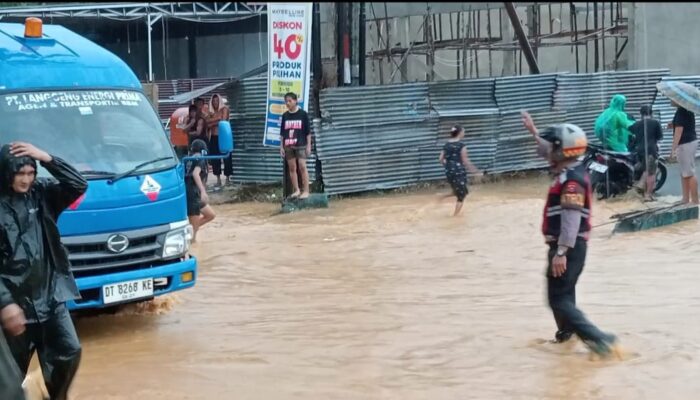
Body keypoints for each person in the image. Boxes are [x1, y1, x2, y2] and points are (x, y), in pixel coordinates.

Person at [521, 112, 621, 359]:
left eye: (552, 147)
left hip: (569, 246)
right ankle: (565, 337)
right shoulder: (570, 172)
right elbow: (549, 148)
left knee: (558, 299)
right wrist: (534, 131)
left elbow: (571, 218)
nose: (546, 152)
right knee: (565, 295)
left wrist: (561, 251)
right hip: (570, 246)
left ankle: (599, 340)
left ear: (562, 151)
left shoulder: (571, 182)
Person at [0, 142, 87, 400]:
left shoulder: (43, 194)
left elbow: (78, 185)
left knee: (69, 352)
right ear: (6, 173)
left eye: (31, 173)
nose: (26, 180)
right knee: (9, 379)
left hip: (49, 299)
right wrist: (5, 303)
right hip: (13, 307)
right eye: (20, 174)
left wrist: (46, 158)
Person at [438, 125, 481, 216]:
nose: (464, 134)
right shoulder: (461, 145)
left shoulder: (446, 145)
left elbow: (441, 159)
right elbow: (465, 160)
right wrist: (475, 171)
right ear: (460, 133)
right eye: (463, 132)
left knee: (457, 191)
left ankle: (441, 198)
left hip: (449, 172)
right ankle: (455, 217)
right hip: (459, 172)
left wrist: (449, 165)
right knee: (462, 195)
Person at [279, 92, 312, 199]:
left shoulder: (303, 114)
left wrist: (308, 146)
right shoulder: (285, 116)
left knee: (302, 166)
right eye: (286, 101)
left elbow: (308, 132)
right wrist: (281, 147)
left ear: (295, 101)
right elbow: (282, 133)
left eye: (290, 101)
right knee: (292, 168)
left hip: (301, 145)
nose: (288, 103)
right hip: (288, 145)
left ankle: (306, 190)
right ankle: (297, 190)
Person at [629, 105, 663, 201]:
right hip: (651, 150)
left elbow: (630, 132)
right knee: (651, 173)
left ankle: (642, 189)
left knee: (645, 170)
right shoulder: (655, 123)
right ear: (651, 113)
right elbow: (659, 137)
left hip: (639, 151)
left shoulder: (636, 124)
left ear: (641, 114)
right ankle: (648, 195)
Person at [185, 139, 216, 242]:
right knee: (193, 236)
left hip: (191, 191)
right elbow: (195, 174)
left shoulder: (188, 159)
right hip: (192, 192)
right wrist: (203, 191)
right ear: (204, 150)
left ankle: (189, 229)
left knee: (210, 215)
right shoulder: (200, 159)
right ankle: (190, 233)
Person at [670, 100, 698, 204]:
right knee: (684, 172)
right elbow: (684, 125)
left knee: (689, 173)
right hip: (689, 142)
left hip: (685, 144)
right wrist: (673, 124)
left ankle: (695, 200)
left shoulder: (681, 112)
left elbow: (679, 131)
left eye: (673, 98)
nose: (671, 100)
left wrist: (673, 149)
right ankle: (685, 199)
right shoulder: (685, 110)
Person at [206, 94, 233, 188]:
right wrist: (217, 119)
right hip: (213, 137)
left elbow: (223, 121)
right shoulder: (210, 112)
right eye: (213, 101)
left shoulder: (224, 109)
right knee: (215, 160)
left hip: (223, 136)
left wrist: (212, 121)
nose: (215, 103)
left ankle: (227, 179)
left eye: (217, 101)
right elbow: (207, 124)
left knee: (227, 158)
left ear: (220, 101)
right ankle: (218, 180)